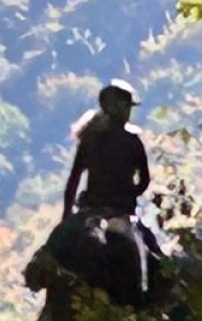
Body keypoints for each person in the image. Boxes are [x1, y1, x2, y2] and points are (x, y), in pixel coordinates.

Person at [62, 80, 151, 223]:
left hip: (91, 209)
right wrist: (128, 193)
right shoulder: (133, 141)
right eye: (128, 108)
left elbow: (74, 179)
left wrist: (66, 214)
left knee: (59, 243)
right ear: (121, 108)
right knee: (149, 244)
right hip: (122, 211)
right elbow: (144, 181)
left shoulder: (89, 139)